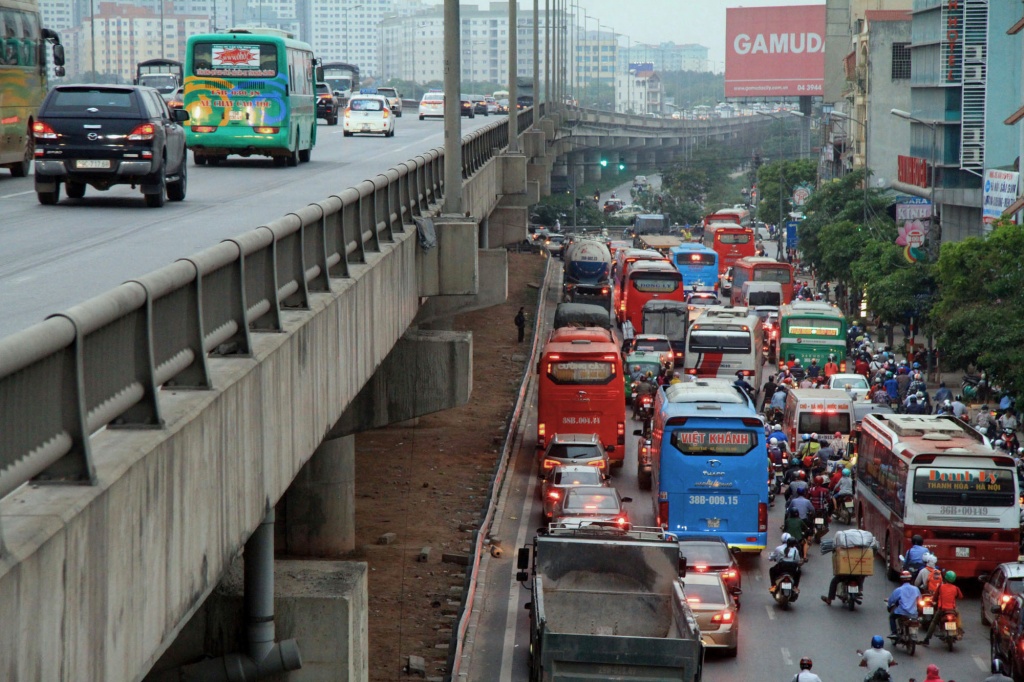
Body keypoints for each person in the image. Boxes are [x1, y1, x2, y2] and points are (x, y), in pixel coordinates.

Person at [922, 571, 963, 646]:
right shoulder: (955, 588)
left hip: (942, 610)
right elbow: (960, 596)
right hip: (952, 610)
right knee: (958, 615)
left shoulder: (941, 587)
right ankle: (960, 630)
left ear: (945, 578)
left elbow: (935, 597)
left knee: (934, 622)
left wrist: (934, 601)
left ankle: (927, 639)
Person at [887, 571, 921, 637]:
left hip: (901, 612)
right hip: (913, 612)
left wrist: (889, 605)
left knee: (891, 617)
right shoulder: (916, 589)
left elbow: (891, 600)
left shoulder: (899, 590)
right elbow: (920, 599)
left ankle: (894, 633)